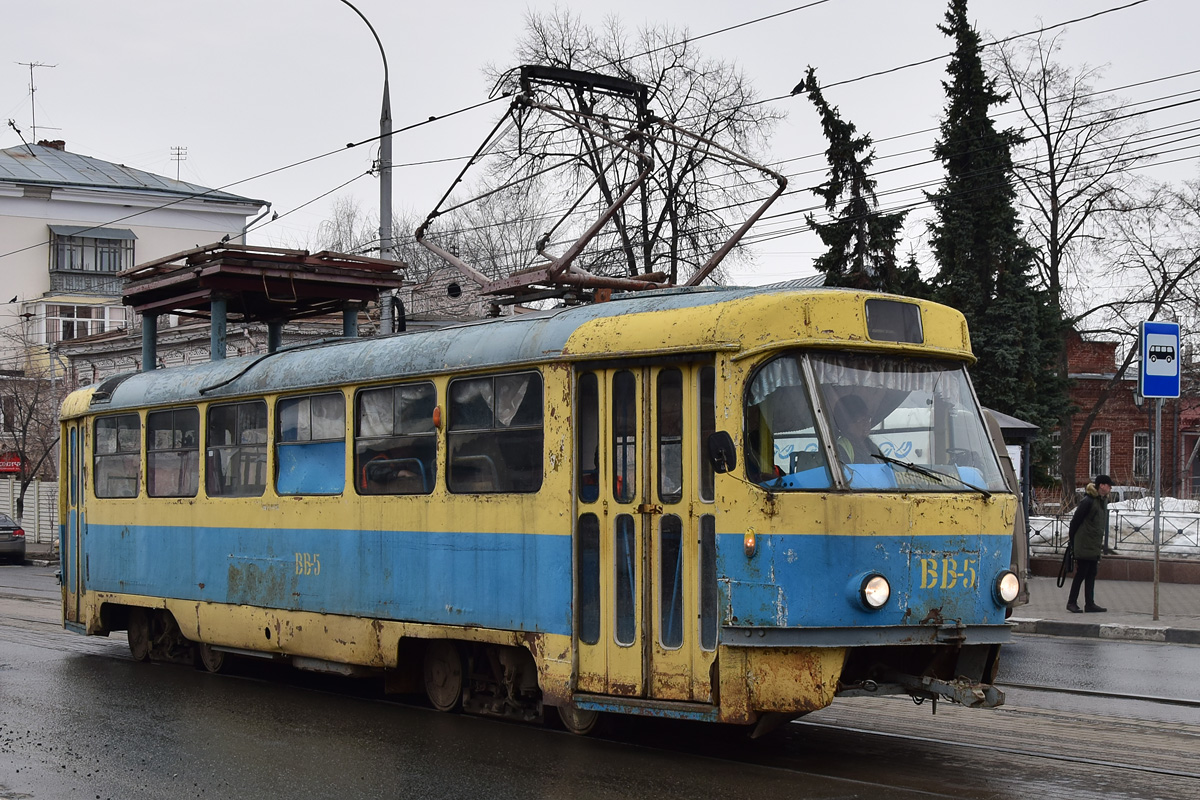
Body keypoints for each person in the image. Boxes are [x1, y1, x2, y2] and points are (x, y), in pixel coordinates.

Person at [1066, 474, 1112, 613]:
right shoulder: (1088, 501)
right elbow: (1075, 521)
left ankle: (1089, 604)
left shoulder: (1101, 501)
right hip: (1084, 544)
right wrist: (1073, 542)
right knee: (1081, 573)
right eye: (1109, 485)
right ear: (1102, 486)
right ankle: (1071, 602)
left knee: (1092, 573)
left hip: (1093, 545)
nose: (1110, 488)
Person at [833, 395, 877, 464]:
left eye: (868, 418)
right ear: (846, 424)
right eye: (861, 420)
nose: (866, 423)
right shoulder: (840, 447)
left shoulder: (870, 445)